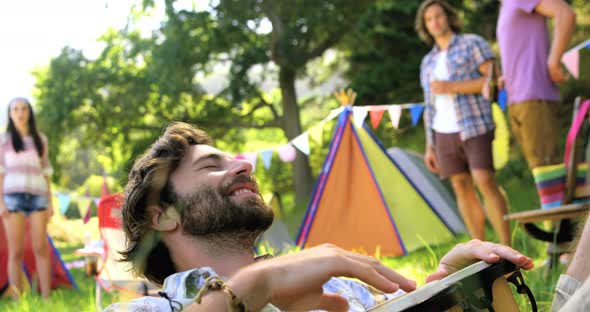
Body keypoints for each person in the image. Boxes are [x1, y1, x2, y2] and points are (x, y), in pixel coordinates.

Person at [103, 122, 534, 311]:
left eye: (235, 159)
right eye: (211, 166)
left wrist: (450, 288)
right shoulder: (146, 309)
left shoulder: (338, 285)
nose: (243, 166)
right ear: (162, 216)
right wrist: (256, 286)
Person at [416, 0, 510, 246]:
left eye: (438, 16)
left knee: (484, 180)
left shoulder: (472, 44)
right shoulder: (427, 63)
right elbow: (429, 105)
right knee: (460, 186)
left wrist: (451, 87)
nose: (435, 21)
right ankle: (480, 250)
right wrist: (430, 145)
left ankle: (506, 246)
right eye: (429, 19)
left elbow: (492, 81)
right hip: (442, 131)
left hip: (475, 124)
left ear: (447, 17)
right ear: (425, 26)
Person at [496, 0, 576, 169]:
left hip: (533, 95)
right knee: (541, 173)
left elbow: (565, 14)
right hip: (517, 99)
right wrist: (508, 76)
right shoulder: (506, 5)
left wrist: (554, 61)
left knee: (547, 172)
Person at [0, 97, 54, 299]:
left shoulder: (41, 140)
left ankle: (47, 298)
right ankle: (17, 299)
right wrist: (0, 203)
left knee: (41, 247)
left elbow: (46, 172)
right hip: (11, 199)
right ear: (10, 113)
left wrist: (50, 202)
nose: (20, 112)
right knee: (16, 251)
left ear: (29, 112)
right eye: (16, 109)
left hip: (38, 198)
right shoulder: (3, 141)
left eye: (24, 108)